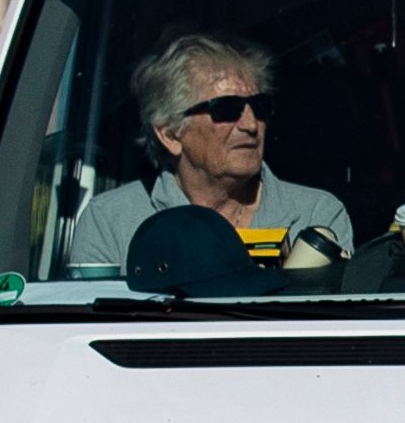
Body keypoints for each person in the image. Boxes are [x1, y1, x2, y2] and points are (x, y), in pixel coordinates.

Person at [68, 33, 355, 282]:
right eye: (227, 109)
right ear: (170, 134)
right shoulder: (111, 220)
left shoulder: (316, 215)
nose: (250, 125)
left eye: (259, 106)